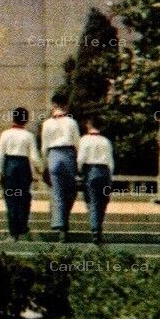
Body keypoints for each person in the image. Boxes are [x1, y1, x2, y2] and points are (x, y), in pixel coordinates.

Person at [0, 106, 43, 242]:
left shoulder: (6, 134)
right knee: (23, 198)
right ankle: (23, 227)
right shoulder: (29, 136)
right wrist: (41, 169)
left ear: (13, 118)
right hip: (23, 167)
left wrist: (0, 172)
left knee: (11, 200)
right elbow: (34, 157)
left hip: (10, 167)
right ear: (26, 120)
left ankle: (13, 232)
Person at [40, 95, 80, 242]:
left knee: (57, 192)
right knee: (70, 192)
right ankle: (63, 223)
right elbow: (77, 143)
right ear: (66, 106)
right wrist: (78, 163)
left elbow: (44, 146)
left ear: (53, 105)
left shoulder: (47, 124)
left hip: (53, 155)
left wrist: (45, 164)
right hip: (68, 155)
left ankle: (60, 224)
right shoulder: (72, 122)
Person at [77, 116, 116, 245]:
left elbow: (81, 158)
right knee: (102, 201)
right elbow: (110, 161)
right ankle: (98, 225)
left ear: (89, 124)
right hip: (104, 172)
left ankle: (95, 229)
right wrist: (110, 177)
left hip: (91, 171)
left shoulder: (84, 140)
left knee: (92, 201)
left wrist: (79, 170)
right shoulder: (106, 141)